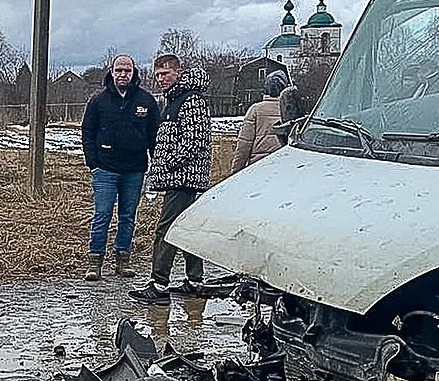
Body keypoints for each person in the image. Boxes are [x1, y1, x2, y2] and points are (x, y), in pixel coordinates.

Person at [129, 54, 212, 305]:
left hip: (184, 178)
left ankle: (159, 284)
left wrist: (166, 164)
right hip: (179, 177)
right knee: (187, 229)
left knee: (166, 230)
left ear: (179, 72)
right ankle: (194, 280)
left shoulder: (191, 101)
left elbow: (194, 142)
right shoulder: (174, 100)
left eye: (165, 74)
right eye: (157, 75)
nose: (161, 79)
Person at [79, 54, 160, 281]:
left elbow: (154, 135)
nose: (123, 74)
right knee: (102, 214)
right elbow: (87, 132)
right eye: (119, 70)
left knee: (127, 216)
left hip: (134, 169)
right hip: (105, 169)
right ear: (111, 72)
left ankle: (122, 260)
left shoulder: (146, 101)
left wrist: (156, 164)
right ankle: (95, 261)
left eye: (127, 70)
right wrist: (93, 163)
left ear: (134, 72)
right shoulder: (98, 101)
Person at [232, 70, 290, 173]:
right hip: (283, 166)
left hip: (257, 167)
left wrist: (235, 173)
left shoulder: (255, 110)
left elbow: (244, 145)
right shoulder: (290, 111)